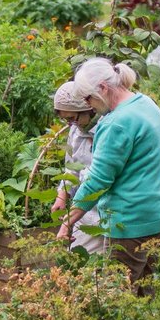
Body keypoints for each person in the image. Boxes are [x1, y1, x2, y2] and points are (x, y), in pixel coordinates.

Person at [62, 58, 160, 289]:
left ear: (103, 89)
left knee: (115, 297)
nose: (89, 106)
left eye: (88, 98)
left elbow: (98, 181)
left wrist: (68, 223)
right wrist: (148, 165)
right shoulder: (145, 102)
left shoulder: (115, 123)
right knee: (148, 291)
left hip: (131, 225)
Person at [50, 82, 106, 255]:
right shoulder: (75, 130)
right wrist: (61, 195)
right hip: (84, 214)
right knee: (78, 262)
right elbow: (72, 168)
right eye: (65, 119)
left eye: (72, 118)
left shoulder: (108, 130)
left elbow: (98, 179)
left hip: (109, 212)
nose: (69, 124)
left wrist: (68, 222)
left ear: (90, 110)